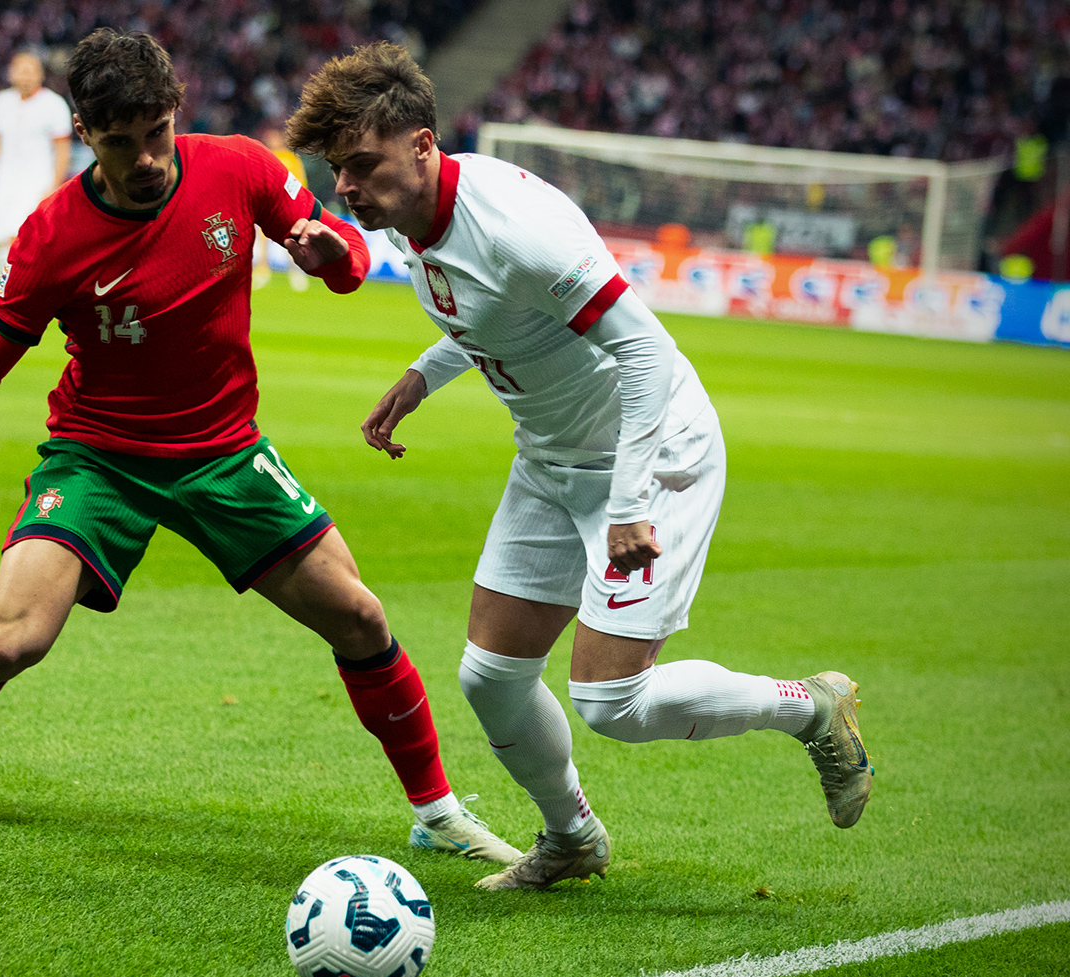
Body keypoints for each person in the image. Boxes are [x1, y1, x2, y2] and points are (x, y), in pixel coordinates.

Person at [0, 30, 522, 866]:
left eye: (156, 132)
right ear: (86, 131)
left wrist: (339, 257)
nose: (146, 157)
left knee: (361, 619)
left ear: (175, 112)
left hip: (224, 453)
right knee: (14, 641)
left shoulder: (238, 168)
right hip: (99, 458)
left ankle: (435, 812)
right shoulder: (51, 237)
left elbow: (342, 250)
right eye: (121, 141)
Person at [284, 43, 874, 891]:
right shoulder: (422, 214)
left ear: (422, 146)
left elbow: (644, 356)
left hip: (651, 455)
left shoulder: (518, 230)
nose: (345, 185)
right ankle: (573, 838)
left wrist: (631, 500)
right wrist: (422, 377)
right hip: (553, 458)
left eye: (362, 165)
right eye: (339, 168)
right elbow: (485, 311)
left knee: (611, 704)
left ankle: (810, 707)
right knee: (491, 677)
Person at [0, 52, 73, 280]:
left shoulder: (53, 105)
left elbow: (63, 150)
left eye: (30, 70)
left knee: (23, 239)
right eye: (20, 69)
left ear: (40, 74)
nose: (25, 75)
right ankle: (4, 290)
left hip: (36, 184)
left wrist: (55, 185)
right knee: (3, 239)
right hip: (5, 183)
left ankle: (17, 290)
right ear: (10, 73)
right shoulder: (1, 102)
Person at [252, 124, 310, 292]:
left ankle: (296, 273)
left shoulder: (291, 159)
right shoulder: (267, 156)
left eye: (274, 137)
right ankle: (262, 272)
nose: (272, 140)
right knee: (263, 242)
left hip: (288, 207)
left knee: (291, 240)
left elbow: (300, 181)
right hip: (269, 206)